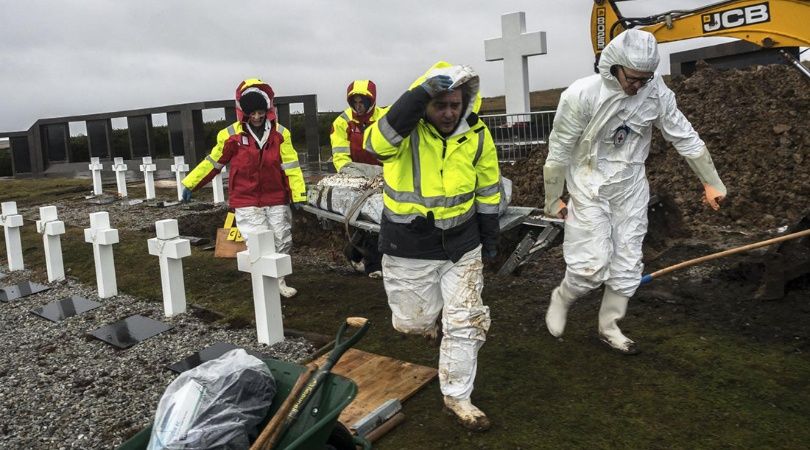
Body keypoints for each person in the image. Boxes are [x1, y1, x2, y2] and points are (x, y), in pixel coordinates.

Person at [542, 29, 727, 354]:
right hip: (589, 185)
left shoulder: (655, 93)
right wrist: (552, 197)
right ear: (614, 66)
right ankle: (563, 297)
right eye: (633, 78)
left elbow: (684, 135)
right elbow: (558, 151)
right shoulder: (581, 95)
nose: (638, 85)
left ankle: (609, 325)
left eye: (645, 78)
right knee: (591, 267)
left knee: (627, 264)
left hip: (630, 186)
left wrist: (711, 181)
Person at [364, 61, 500, 431]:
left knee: (465, 321)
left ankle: (457, 397)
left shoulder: (477, 134)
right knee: (412, 322)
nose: (449, 112)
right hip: (409, 245)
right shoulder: (404, 132)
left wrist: (490, 236)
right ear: (425, 103)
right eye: (439, 104)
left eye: (455, 104)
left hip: (462, 244)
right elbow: (374, 144)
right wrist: (416, 95)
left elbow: (489, 189)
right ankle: (433, 320)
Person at [181, 78, 306, 298]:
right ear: (243, 112)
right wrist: (191, 183)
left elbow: (291, 166)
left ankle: (279, 281)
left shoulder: (281, 134)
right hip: (246, 199)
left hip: (276, 196)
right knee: (258, 242)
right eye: (252, 113)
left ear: (267, 110)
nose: (256, 117)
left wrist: (298, 193)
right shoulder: (230, 136)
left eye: (260, 112)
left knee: (282, 239)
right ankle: (262, 286)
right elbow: (213, 162)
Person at [330, 80, 387, 278]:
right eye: (355, 101)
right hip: (355, 179)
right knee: (363, 220)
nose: (359, 105)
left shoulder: (384, 118)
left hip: (383, 176)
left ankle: (357, 254)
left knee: (376, 220)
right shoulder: (342, 122)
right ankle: (373, 265)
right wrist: (351, 175)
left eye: (363, 101)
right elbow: (340, 154)